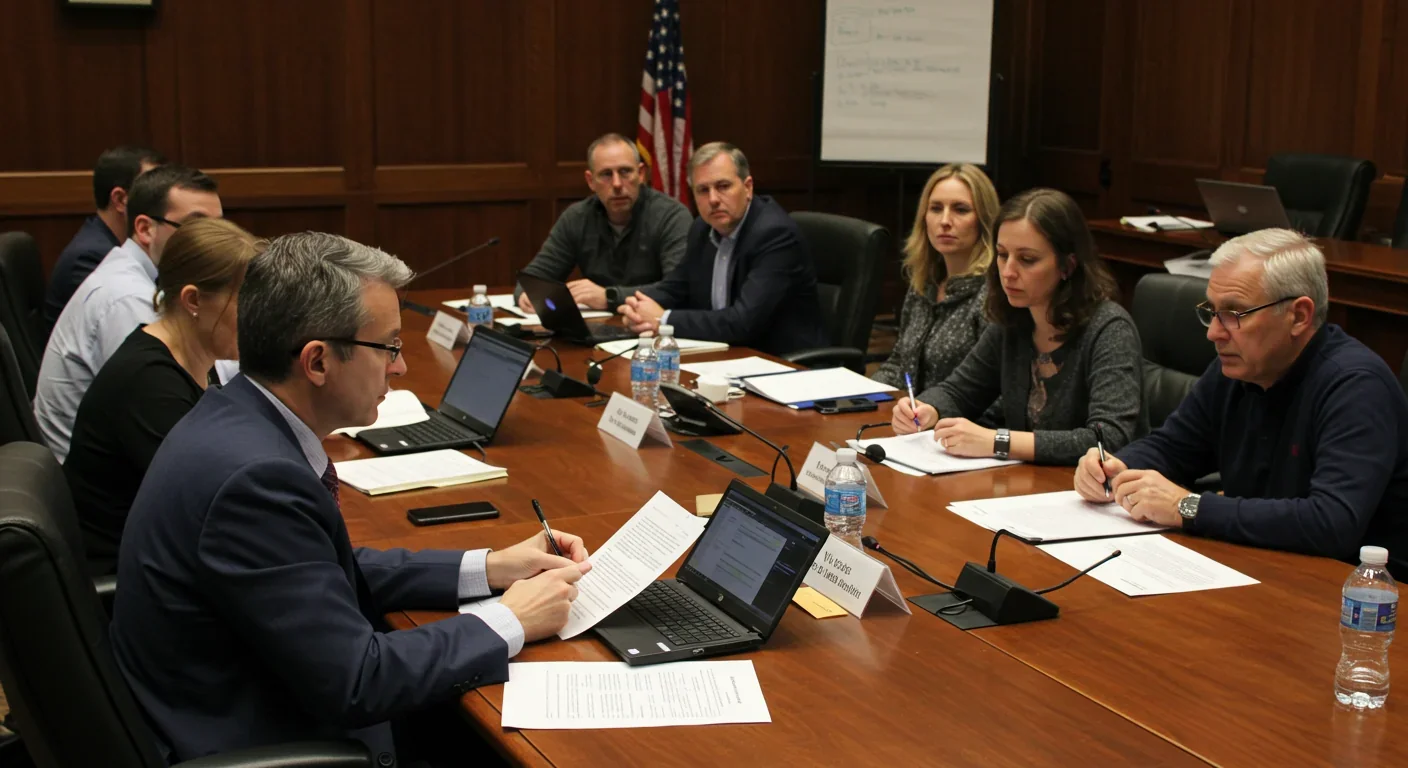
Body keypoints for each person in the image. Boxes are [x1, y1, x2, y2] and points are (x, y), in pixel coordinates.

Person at [110, 232, 591, 765]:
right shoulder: (255, 481)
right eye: (388, 346)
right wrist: (510, 620)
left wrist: (490, 567)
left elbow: (317, 566)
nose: (400, 367)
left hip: (239, 700)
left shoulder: (235, 417)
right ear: (317, 361)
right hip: (266, 736)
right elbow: (359, 681)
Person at [1074, 228, 1408, 577]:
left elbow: (1331, 523)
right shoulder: (1234, 369)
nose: (1213, 333)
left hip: (1360, 597)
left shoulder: (1356, 386)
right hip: (1263, 565)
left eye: (1235, 314)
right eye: (1212, 311)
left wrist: (1188, 506)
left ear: (1298, 316)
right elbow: (1172, 448)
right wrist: (1114, 468)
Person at [64, 219, 262, 577]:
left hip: (168, 559)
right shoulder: (149, 385)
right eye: (245, 302)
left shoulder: (194, 360)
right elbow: (213, 503)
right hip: (131, 580)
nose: (256, 319)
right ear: (193, 300)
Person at [891, 188, 1147, 465]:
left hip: (1100, 495)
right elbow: (958, 391)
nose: (1008, 272)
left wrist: (999, 441)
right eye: (1002, 255)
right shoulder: (1013, 320)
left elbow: (1107, 438)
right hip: (1028, 485)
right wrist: (927, 408)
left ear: (1067, 266)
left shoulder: (1109, 329)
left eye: (1027, 260)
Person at [34, 165, 222, 462]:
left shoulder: (146, 278)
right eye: (196, 227)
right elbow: (175, 409)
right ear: (146, 229)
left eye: (220, 228)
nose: (214, 242)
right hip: (105, 487)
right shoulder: (126, 299)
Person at [619, 142, 828, 356]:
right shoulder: (702, 228)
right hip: (728, 356)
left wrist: (662, 319)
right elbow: (676, 287)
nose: (713, 199)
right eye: (703, 190)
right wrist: (634, 306)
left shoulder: (775, 234)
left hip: (784, 364)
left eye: (723, 186)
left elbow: (742, 322)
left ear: (748, 187)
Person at [513, 133, 691, 312]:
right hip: (600, 327)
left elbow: (677, 291)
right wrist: (527, 294)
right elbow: (532, 279)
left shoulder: (672, 217)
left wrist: (610, 297)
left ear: (641, 174)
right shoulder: (577, 217)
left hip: (654, 329)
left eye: (625, 172)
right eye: (606, 174)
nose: (617, 184)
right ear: (590, 181)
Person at [873, 163, 999, 393]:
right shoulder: (924, 283)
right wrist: (861, 394)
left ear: (983, 219)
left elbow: (998, 393)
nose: (945, 221)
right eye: (936, 208)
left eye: (961, 210)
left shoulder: (994, 293)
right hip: (912, 420)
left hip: (962, 425)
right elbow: (899, 364)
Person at [42, 146, 167, 334]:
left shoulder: (107, 242)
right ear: (120, 199)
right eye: (153, 192)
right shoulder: (90, 257)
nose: (164, 203)